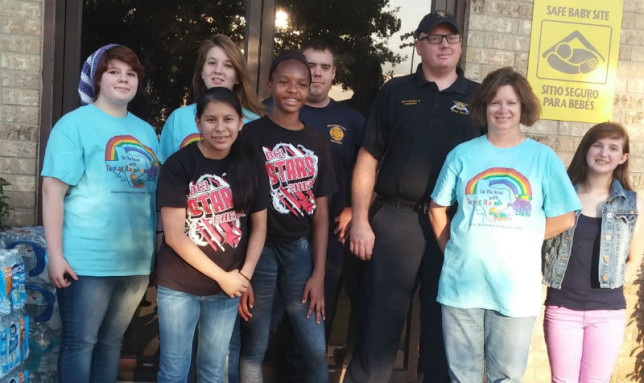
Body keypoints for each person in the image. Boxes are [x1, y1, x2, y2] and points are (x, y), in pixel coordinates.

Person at [345, 11, 480, 383]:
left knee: (443, 326)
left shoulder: (478, 98)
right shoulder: (395, 91)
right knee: (378, 324)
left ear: (460, 45)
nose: (444, 45)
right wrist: (360, 219)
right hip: (396, 220)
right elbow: (367, 159)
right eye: (434, 38)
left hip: (452, 225)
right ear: (419, 45)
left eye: (451, 38)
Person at [428, 67, 581, 383]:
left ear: (523, 107)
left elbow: (565, 217)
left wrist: (525, 237)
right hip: (462, 286)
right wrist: (452, 249)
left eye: (511, 103)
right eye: (495, 102)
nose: (503, 110)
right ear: (484, 107)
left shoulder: (543, 158)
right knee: (462, 376)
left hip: (516, 289)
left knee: (507, 377)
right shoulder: (462, 155)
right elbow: (437, 208)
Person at [41, 44, 159, 383]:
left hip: (134, 263)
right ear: (96, 79)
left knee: (111, 344)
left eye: (131, 73)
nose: (124, 79)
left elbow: (149, 198)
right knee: (81, 343)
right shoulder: (74, 125)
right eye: (113, 71)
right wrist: (55, 255)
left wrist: (153, 255)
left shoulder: (146, 132)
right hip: (85, 262)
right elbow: (52, 192)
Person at [155, 87, 268, 383]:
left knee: (212, 372)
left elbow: (259, 227)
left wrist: (243, 276)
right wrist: (224, 277)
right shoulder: (179, 165)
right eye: (212, 120)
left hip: (226, 290)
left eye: (228, 119)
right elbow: (175, 237)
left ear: (241, 122)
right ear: (198, 123)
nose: (221, 128)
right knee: (173, 372)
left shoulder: (252, 163)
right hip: (179, 285)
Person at [238, 51, 336, 383]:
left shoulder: (318, 143)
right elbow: (238, 205)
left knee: (313, 347)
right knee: (256, 344)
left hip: (300, 250)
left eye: (301, 84)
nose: (292, 90)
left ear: (310, 89)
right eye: (284, 82)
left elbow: (322, 213)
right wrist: (244, 269)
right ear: (269, 86)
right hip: (259, 250)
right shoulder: (250, 137)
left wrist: (319, 274)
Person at [542, 122, 644, 383]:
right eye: (597, 145)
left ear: (623, 158)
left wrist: (612, 285)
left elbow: (633, 258)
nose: (603, 153)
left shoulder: (633, 203)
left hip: (607, 312)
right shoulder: (562, 195)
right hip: (562, 307)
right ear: (586, 149)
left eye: (613, 148)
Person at [158, 34, 265, 163]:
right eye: (212, 63)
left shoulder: (256, 124)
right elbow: (165, 173)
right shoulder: (178, 119)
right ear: (202, 72)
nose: (218, 70)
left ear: (237, 77)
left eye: (228, 65)